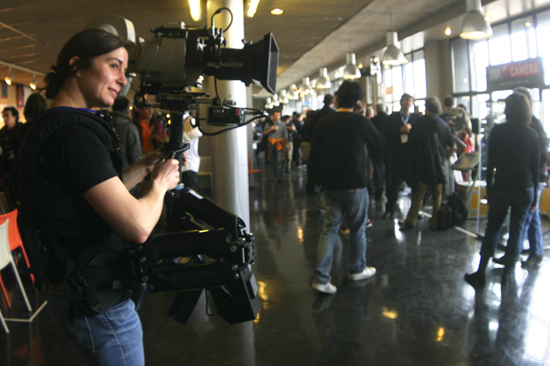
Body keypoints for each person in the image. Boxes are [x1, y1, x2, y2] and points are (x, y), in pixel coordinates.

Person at [17, 29, 181, 365]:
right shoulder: (75, 135)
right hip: (94, 295)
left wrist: (146, 165)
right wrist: (160, 185)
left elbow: (98, 190)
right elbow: (137, 226)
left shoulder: (52, 124)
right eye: (114, 66)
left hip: (73, 281)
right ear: (77, 65)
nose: (123, 79)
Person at [309, 81, 383, 294]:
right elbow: (378, 142)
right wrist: (365, 116)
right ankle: (357, 268)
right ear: (358, 102)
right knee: (357, 229)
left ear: (338, 98)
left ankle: (321, 278)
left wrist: (316, 183)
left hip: (329, 184)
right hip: (355, 185)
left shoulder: (324, 121)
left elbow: (314, 155)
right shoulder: (359, 121)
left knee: (329, 230)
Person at [465, 93, 539, 287]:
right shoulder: (532, 133)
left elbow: (491, 163)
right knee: (518, 230)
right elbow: (536, 167)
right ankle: (508, 274)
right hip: (525, 187)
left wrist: (489, 188)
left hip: (502, 186)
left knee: (493, 228)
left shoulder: (498, 131)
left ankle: (481, 272)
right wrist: (536, 196)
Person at [493, 87, 547, 268]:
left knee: (531, 218)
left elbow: (541, 153)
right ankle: (513, 254)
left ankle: (536, 252)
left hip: (532, 178)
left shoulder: (534, 125)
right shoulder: (525, 124)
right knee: (524, 220)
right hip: (526, 178)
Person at [399, 97, 456, 230]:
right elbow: (453, 147)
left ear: (427, 108)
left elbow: (411, 145)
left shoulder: (419, 123)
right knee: (437, 195)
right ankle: (435, 222)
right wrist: (445, 158)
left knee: (418, 195)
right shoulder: (444, 125)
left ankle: (410, 221)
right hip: (439, 166)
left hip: (422, 165)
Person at [383, 93, 421, 218]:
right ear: (401, 102)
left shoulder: (416, 118)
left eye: (410, 101)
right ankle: (390, 209)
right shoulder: (393, 118)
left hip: (411, 156)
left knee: (415, 185)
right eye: (405, 101)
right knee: (394, 185)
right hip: (396, 156)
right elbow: (386, 134)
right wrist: (400, 131)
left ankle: (416, 210)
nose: (407, 103)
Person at [303, 94, 335, 194]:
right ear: (333, 102)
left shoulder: (316, 115)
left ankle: (311, 187)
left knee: (313, 166)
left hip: (315, 143)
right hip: (329, 145)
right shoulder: (333, 115)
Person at [0, 106, 25, 210]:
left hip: (20, 170)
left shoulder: (22, 130)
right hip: (6, 171)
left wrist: (15, 153)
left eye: (8, 116)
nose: (5, 118)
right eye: (4, 116)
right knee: (9, 200)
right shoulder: (2, 132)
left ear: (15, 117)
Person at [111, 96, 142, 169]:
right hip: (125, 170)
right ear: (125, 110)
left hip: (107, 171)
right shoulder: (129, 127)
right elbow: (134, 153)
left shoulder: (104, 124)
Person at [370, 102, 388, 206]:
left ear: (376, 110)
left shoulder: (373, 121)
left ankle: (379, 192)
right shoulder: (390, 120)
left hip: (376, 149)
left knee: (378, 171)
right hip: (388, 150)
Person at [263, 111, 288, 182]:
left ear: (280, 116)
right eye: (275, 115)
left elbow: (285, 134)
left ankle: (279, 176)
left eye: (278, 115)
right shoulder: (269, 124)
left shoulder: (283, 124)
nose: (276, 117)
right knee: (273, 160)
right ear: (273, 116)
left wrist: (286, 144)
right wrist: (271, 129)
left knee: (279, 160)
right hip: (271, 143)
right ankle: (275, 175)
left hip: (280, 143)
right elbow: (264, 133)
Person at [181, 114, 202, 192]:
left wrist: (180, 138)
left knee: (192, 193)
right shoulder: (180, 121)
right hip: (182, 165)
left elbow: (199, 132)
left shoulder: (190, 120)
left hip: (189, 164)